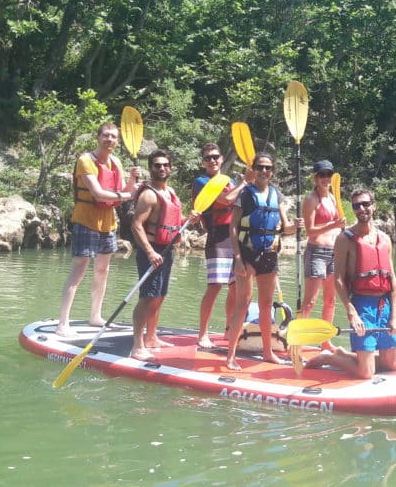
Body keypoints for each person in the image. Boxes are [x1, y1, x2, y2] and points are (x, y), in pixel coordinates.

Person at [55, 122, 141, 337]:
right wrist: (129, 195)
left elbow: (123, 192)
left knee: (103, 270)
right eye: (106, 135)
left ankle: (95, 316)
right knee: (78, 271)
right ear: (98, 137)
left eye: (113, 137)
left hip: (108, 223)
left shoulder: (116, 163)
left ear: (117, 141)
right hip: (85, 220)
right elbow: (99, 194)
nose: (109, 140)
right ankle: (62, 323)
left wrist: (131, 179)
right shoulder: (86, 161)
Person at [305, 188, 396, 378]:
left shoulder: (385, 239)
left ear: (374, 206)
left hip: (384, 306)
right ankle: (329, 358)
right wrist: (352, 313)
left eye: (365, 204)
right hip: (362, 305)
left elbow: (392, 280)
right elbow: (338, 279)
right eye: (356, 206)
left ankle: (343, 354)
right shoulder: (344, 239)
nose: (361, 209)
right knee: (366, 373)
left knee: (390, 365)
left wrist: (394, 316)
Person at [225, 152, 301, 370]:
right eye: (260, 167)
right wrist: (237, 258)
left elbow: (285, 227)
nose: (264, 171)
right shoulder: (246, 195)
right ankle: (231, 356)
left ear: (272, 171)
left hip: (269, 254)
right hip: (247, 254)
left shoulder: (277, 194)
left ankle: (268, 352)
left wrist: (295, 226)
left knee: (267, 305)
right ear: (254, 170)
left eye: (268, 168)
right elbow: (233, 227)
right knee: (244, 302)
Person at [129, 149, 198, 362]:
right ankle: (137, 346)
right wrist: (149, 253)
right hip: (151, 250)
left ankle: (151, 337)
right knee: (147, 297)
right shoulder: (149, 194)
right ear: (151, 168)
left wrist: (189, 218)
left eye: (165, 165)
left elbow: (172, 221)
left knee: (159, 296)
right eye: (157, 165)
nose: (161, 168)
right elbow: (136, 225)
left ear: (170, 168)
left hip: (167, 251)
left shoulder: (171, 192)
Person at [192, 143, 253, 348]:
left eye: (215, 157)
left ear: (221, 158)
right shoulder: (202, 182)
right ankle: (202, 334)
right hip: (217, 238)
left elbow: (239, 205)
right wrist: (245, 181)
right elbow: (226, 200)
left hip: (234, 238)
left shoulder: (230, 181)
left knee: (235, 287)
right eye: (208, 158)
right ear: (203, 161)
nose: (212, 160)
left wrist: (247, 183)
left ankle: (229, 329)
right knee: (215, 286)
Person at [299, 160, 347, 349]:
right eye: (322, 175)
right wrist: (333, 225)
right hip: (317, 252)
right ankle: (298, 339)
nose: (325, 179)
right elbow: (309, 231)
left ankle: (325, 341)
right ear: (315, 177)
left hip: (334, 252)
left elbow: (339, 227)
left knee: (330, 300)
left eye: (328, 175)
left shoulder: (334, 198)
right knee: (310, 301)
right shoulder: (311, 199)